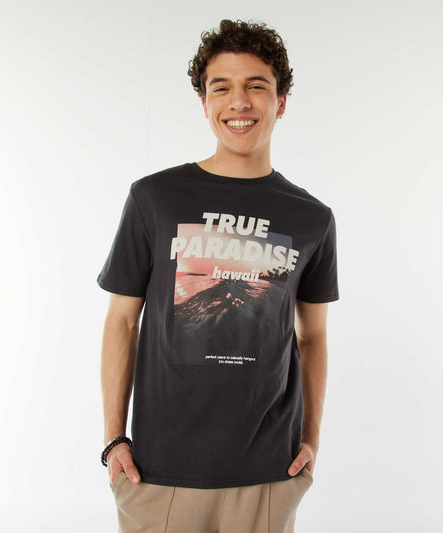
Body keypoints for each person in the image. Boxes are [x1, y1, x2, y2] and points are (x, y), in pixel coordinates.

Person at [97, 18, 339, 533]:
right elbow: (122, 321)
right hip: (158, 471)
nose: (239, 102)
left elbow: (313, 336)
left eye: (257, 86)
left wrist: (311, 440)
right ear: (205, 103)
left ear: (281, 102)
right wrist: (114, 438)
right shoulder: (154, 198)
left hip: (270, 472)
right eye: (221, 87)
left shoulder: (312, 217)